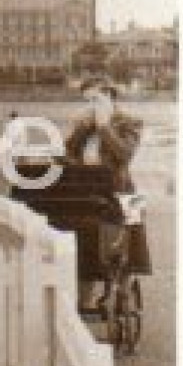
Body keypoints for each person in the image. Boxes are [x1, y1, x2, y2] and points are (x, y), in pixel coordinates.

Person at [63, 75, 149, 311]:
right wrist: (81, 130)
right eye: (87, 101)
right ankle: (86, 297)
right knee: (85, 233)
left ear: (110, 97)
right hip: (90, 193)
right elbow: (68, 155)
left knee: (134, 224)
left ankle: (124, 286)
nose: (91, 106)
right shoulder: (84, 126)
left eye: (96, 100)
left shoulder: (130, 122)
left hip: (123, 190)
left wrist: (104, 127)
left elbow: (124, 154)